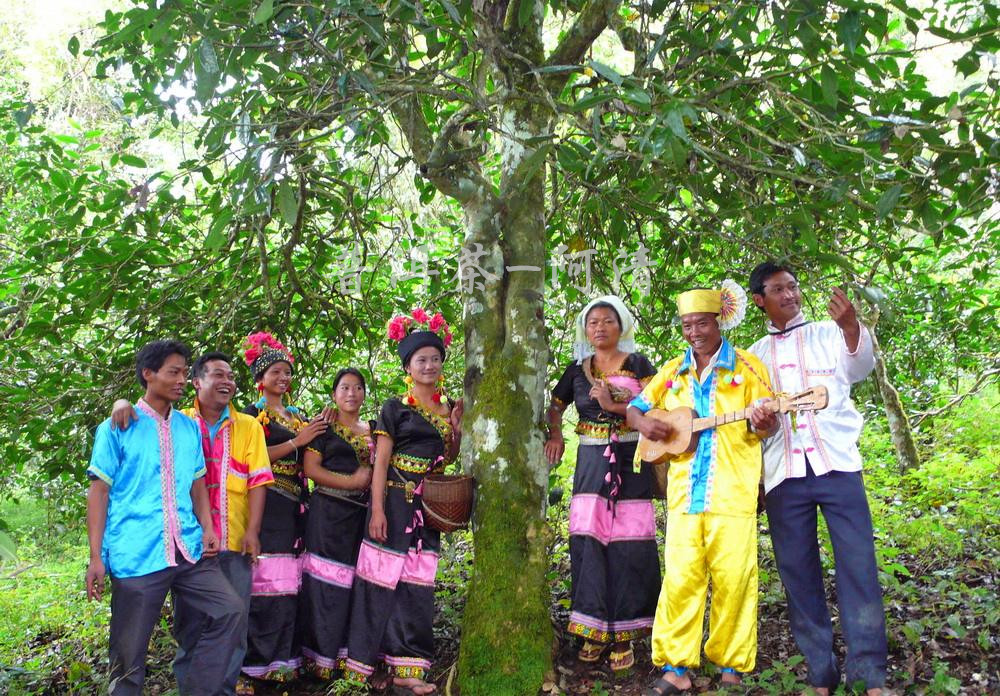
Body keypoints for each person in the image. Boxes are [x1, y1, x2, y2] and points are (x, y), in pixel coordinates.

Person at [626, 283, 777, 695]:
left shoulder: (748, 367)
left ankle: (731, 663)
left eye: (702, 323)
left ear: (718, 321)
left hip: (733, 492)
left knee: (734, 578)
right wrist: (646, 424)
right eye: (687, 324)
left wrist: (764, 420)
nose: (694, 331)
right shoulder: (673, 370)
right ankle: (677, 667)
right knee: (680, 579)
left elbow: (770, 421)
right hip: (684, 496)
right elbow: (635, 408)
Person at [747, 261, 887, 695]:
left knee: (859, 566)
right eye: (778, 289)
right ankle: (820, 674)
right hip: (784, 476)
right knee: (798, 574)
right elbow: (754, 424)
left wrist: (850, 326)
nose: (789, 295)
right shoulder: (755, 356)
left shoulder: (829, 333)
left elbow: (860, 366)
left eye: (793, 287)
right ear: (759, 300)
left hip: (838, 466)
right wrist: (760, 423)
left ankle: (868, 675)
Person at [110, 351, 275, 695]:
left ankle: (221, 691)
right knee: (190, 627)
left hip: (233, 539)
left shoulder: (248, 426)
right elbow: (143, 414)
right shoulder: (180, 420)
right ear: (197, 382)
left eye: (231, 376)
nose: (227, 381)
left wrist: (253, 532)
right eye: (218, 375)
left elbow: (259, 481)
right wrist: (121, 401)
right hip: (186, 546)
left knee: (233, 623)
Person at [85, 340, 242, 696]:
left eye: (185, 373)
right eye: (174, 372)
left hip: (188, 550)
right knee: (129, 654)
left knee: (230, 611)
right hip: (137, 555)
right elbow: (98, 492)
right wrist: (96, 557)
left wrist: (207, 527)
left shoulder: (188, 428)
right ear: (148, 374)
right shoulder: (117, 426)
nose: (182, 380)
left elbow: (198, 481)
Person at [344, 309, 462, 696]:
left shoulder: (448, 409)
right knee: (379, 580)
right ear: (408, 367)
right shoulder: (395, 408)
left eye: (434, 358)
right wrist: (377, 509)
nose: (429, 365)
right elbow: (380, 462)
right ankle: (367, 663)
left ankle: (407, 667)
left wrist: (457, 428)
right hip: (394, 502)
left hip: (427, 509)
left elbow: (450, 457)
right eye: (420, 360)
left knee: (416, 583)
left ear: (442, 364)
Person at [544, 296, 661, 675]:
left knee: (629, 542)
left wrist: (620, 403)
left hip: (632, 460)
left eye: (607, 321)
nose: (599, 328)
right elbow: (556, 404)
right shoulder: (578, 370)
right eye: (592, 322)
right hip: (592, 461)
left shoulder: (638, 364)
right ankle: (592, 629)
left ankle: (625, 632)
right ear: (585, 329)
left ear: (621, 325)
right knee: (589, 539)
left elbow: (661, 400)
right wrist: (557, 434)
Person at [239, 332, 328, 691]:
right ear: (260, 379)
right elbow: (251, 459)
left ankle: (287, 663)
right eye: (276, 372)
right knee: (267, 583)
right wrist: (298, 441)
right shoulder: (250, 415)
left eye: (287, 372)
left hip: (296, 502)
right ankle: (257, 665)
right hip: (269, 499)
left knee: (292, 582)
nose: (283, 378)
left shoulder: (295, 415)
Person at [298, 368, 374, 680]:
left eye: (357, 388)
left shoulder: (373, 429)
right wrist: (351, 481)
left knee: (351, 583)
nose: (351, 393)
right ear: (334, 394)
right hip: (327, 513)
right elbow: (311, 470)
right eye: (344, 388)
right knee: (324, 581)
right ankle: (317, 657)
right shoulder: (323, 428)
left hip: (359, 517)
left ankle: (342, 656)